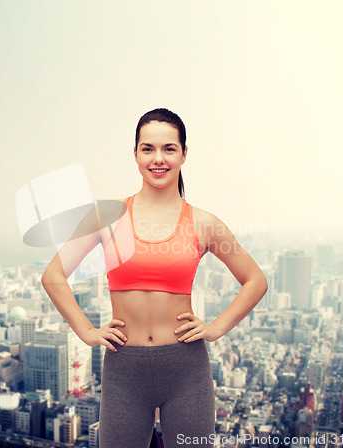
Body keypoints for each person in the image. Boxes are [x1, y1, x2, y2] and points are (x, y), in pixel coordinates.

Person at [41, 108, 268, 448]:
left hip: (186, 370)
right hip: (124, 371)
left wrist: (216, 327)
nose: (158, 158)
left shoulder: (204, 222)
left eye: (168, 148)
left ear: (184, 154)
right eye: (147, 149)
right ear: (135, 154)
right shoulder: (107, 216)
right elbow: (53, 276)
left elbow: (255, 280)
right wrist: (87, 332)